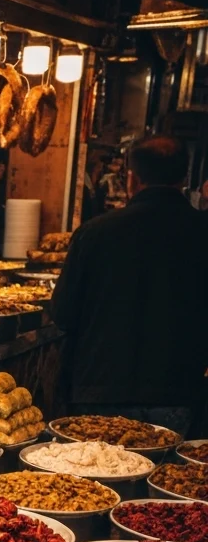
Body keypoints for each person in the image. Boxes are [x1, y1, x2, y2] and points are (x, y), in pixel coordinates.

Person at [51, 135, 208, 435]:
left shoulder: (94, 234)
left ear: (132, 179)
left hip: (99, 391)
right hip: (177, 394)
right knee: (167, 466)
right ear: (184, 178)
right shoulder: (202, 233)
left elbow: (62, 314)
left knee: (94, 467)